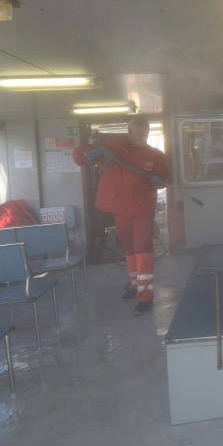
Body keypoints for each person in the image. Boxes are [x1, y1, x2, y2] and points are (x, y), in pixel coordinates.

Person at [73, 117, 170, 316]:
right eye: (140, 134)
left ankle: (146, 297)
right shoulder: (111, 148)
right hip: (120, 209)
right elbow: (78, 157)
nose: (144, 138)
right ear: (130, 132)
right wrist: (88, 153)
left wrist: (161, 180)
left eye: (146, 134)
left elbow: (164, 180)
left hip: (142, 208)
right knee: (129, 248)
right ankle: (135, 286)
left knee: (142, 249)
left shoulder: (155, 155)